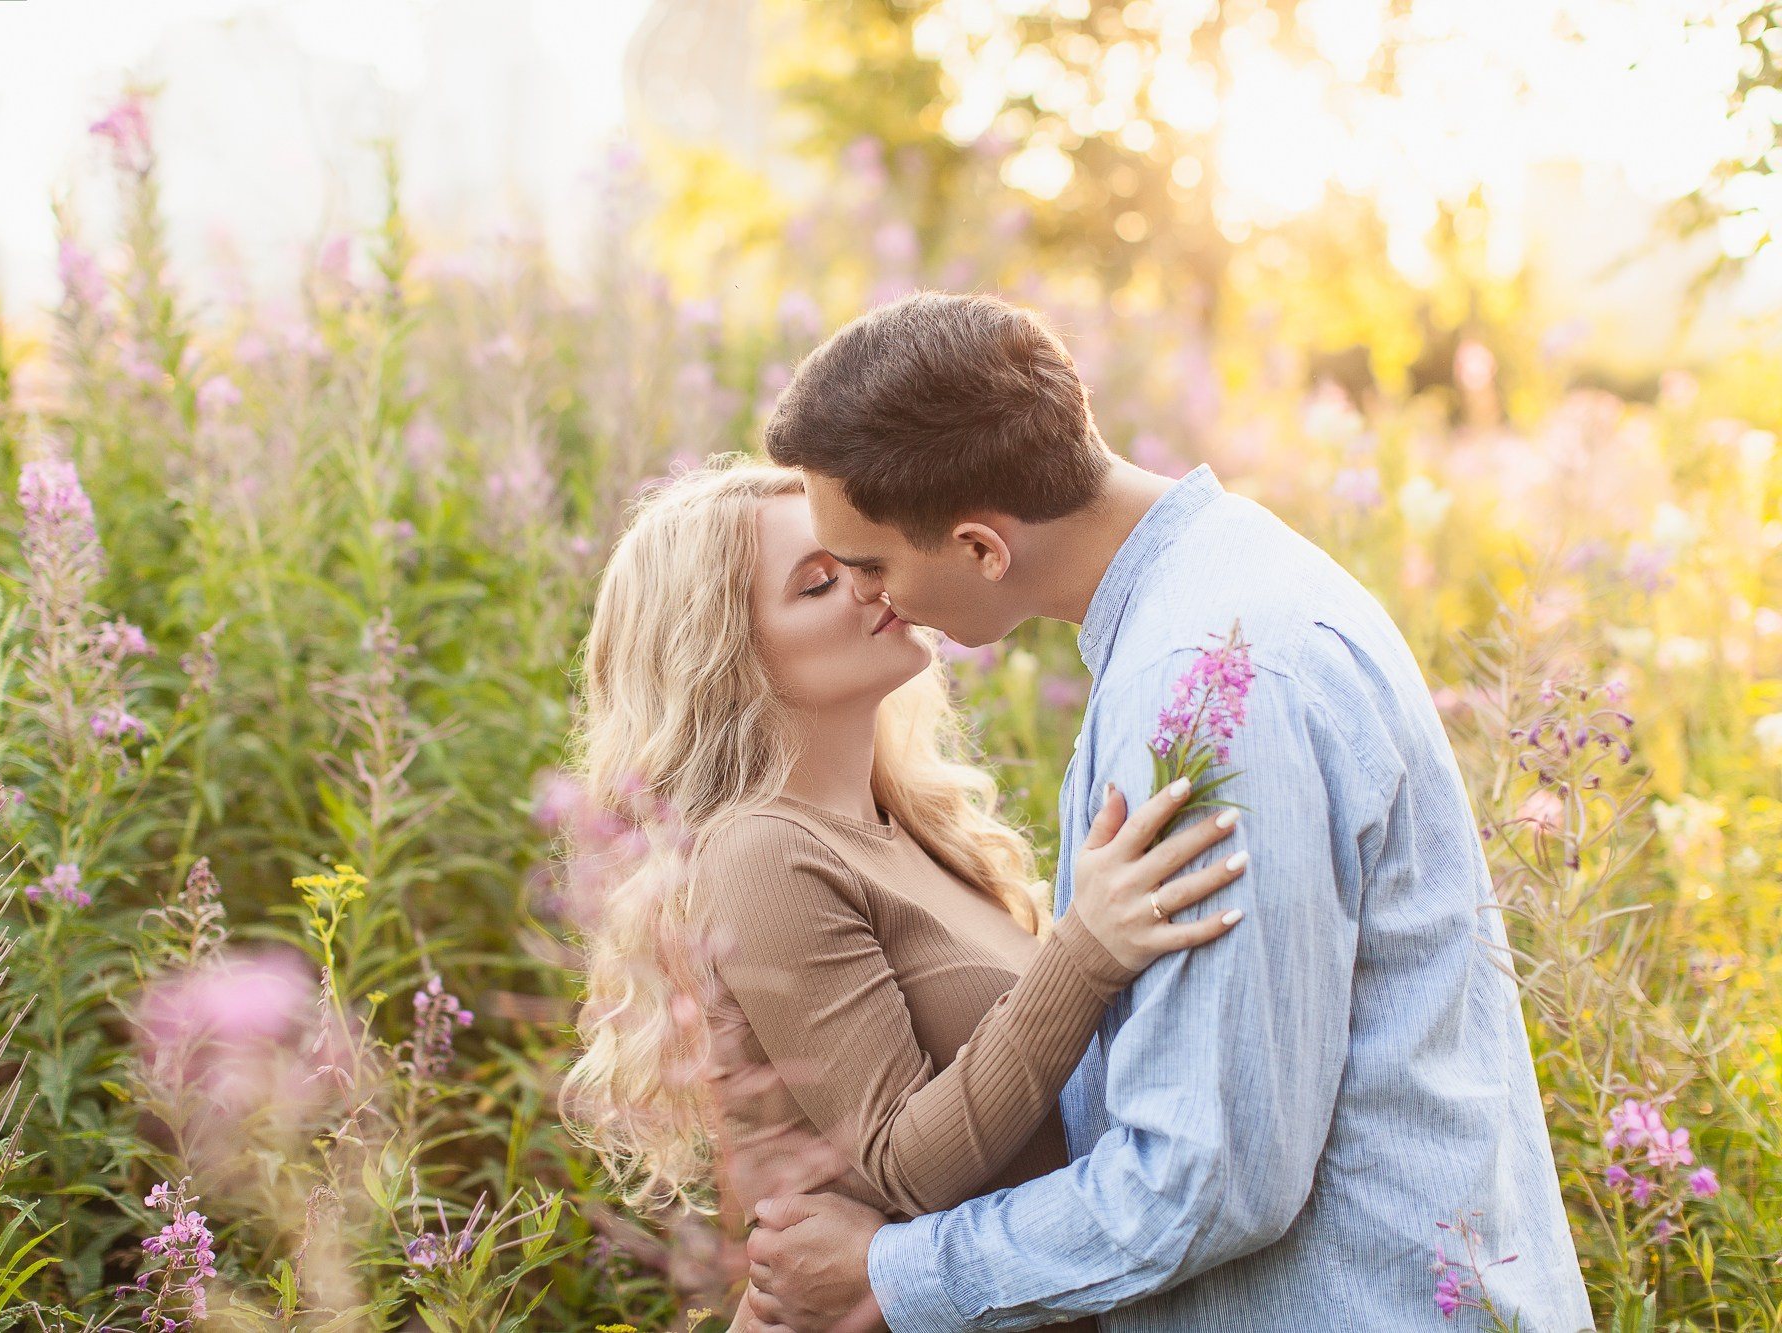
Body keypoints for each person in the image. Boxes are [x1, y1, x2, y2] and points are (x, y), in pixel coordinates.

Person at [740, 292, 1592, 1333]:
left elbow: (1205, 1176)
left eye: (869, 564)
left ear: (978, 546)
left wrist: (893, 1274)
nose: (873, 597)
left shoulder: (1204, 691)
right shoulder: (1229, 583)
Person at [560, 462, 1250, 1331]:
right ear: (730, 662)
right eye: (817, 582)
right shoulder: (762, 851)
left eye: (857, 554)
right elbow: (904, 1165)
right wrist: (1089, 950)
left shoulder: (910, 827)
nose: (868, 583)